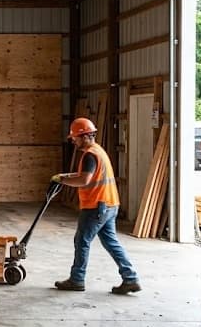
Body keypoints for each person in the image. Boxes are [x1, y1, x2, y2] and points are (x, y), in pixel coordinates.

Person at [51, 118, 141, 294]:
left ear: (84, 136)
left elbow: (84, 180)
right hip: (109, 204)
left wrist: (62, 180)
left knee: (81, 241)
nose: (73, 141)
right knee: (111, 243)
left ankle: (77, 279)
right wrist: (66, 175)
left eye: (75, 137)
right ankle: (130, 278)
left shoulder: (89, 155)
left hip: (96, 206)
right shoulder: (98, 151)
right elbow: (87, 174)